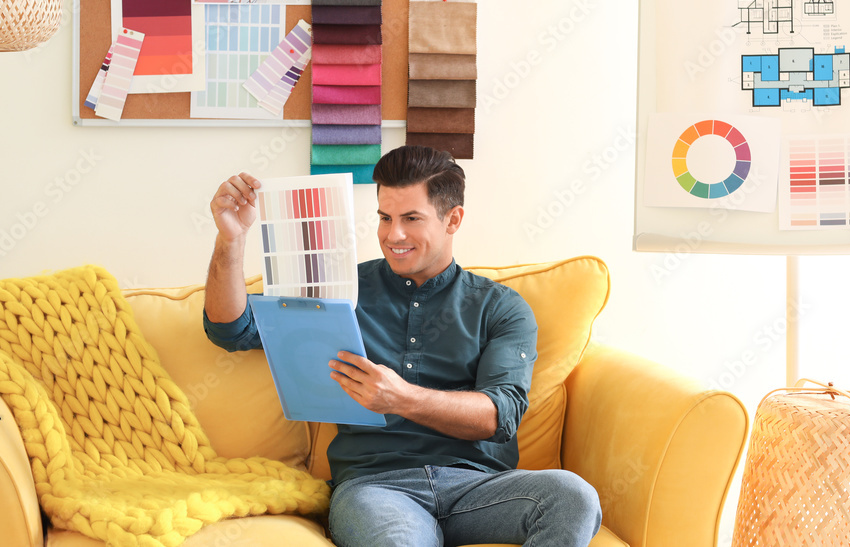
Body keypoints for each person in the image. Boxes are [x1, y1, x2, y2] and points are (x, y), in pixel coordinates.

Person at [202, 146, 602, 547]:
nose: (393, 235)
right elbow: (231, 329)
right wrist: (231, 240)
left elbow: (501, 416)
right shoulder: (339, 291)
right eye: (384, 218)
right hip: (376, 489)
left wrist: (401, 398)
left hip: (478, 489)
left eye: (411, 219)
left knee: (573, 497)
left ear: (453, 219)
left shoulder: (500, 307)